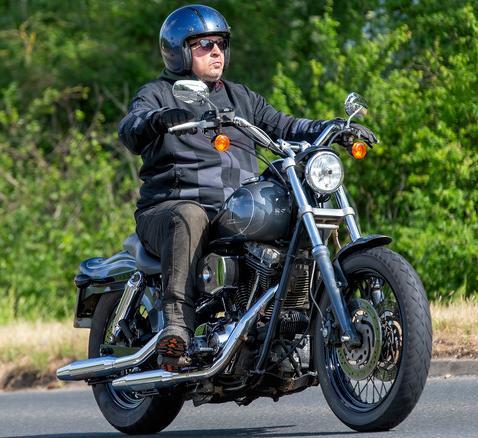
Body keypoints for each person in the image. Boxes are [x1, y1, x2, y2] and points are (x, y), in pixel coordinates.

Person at [117, 4, 377, 372]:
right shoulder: (159, 93)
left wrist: (333, 126)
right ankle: (176, 326)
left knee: (289, 214)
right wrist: (159, 119)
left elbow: (283, 124)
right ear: (179, 51)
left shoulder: (241, 97)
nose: (216, 51)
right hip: (170, 209)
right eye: (204, 44)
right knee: (189, 215)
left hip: (231, 209)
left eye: (220, 43)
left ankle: (283, 330)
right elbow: (130, 128)